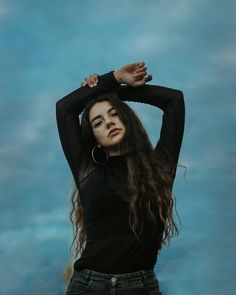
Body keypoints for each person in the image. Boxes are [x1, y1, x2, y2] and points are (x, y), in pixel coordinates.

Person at [56, 62, 185, 295]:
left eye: (114, 113)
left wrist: (114, 93)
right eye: (98, 122)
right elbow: (65, 109)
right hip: (88, 287)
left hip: (140, 287)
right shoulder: (87, 171)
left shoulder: (160, 168)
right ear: (94, 137)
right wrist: (113, 78)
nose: (108, 122)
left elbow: (174, 101)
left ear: (126, 118)